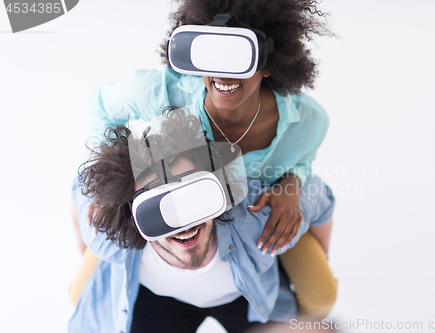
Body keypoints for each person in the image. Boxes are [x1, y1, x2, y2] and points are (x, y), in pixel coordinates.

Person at [73, 0, 337, 318]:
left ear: (269, 63)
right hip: (172, 215)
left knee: (321, 294)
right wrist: (110, 188)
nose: (222, 73)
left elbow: (303, 160)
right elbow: (100, 107)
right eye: (211, 57)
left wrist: (292, 183)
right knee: (82, 292)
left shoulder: (308, 121)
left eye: (238, 57)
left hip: (256, 223)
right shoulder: (162, 94)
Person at [69, 110, 335, 333]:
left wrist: (320, 254)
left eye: (194, 198)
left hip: (244, 297)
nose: (183, 224)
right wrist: (87, 251)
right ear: (130, 215)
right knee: (78, 292)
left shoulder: (257, 215)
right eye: (158, 210)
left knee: (322, 294)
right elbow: (77, 190)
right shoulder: (107, 237)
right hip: (157, 301)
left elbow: (321, 198)